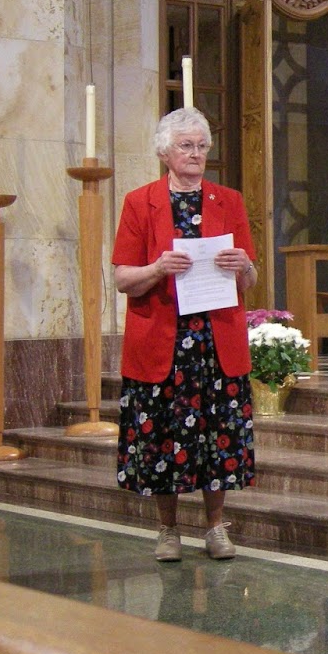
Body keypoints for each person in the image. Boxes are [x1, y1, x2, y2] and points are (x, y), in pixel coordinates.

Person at [112, 107, 259, 562]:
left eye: (201, 146)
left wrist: (242, 265)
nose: (196, 154)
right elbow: (121, 278)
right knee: (163, 436)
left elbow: (250, 278)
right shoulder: (140, 202)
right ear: (165, 153)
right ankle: (168, 529)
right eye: (186, 146)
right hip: (163, 340)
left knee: (218, 436)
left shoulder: (228, 201)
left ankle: (216, 528)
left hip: (216, 341)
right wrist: (157, 268)